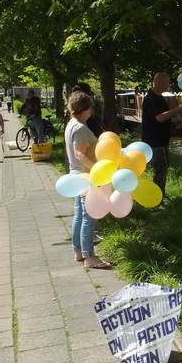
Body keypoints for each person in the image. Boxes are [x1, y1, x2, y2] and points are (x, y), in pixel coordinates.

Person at [65, 91, 111, 269]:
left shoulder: (72, 124)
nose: (92, 109)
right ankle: (89, 257)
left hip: (77, 176)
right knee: (88, 217)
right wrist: (97, 170)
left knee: (79, 216)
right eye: (91, 106)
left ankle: (78, 251)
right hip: (86, 177)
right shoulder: (81, 129)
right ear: (86, 108)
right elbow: (79, 154)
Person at [141, 72, 182, 201]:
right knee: (160, 170)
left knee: (164, 168)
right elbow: (160, 117)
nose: (169, 85)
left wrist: (177, 109)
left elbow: (168, 115)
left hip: (162, 139)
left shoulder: (160, 97)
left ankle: (160, 195)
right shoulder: (150, 98)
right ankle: (156, 198)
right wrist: (177, 109)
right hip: (154, 141)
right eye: (168, 82)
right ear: (161, 82)